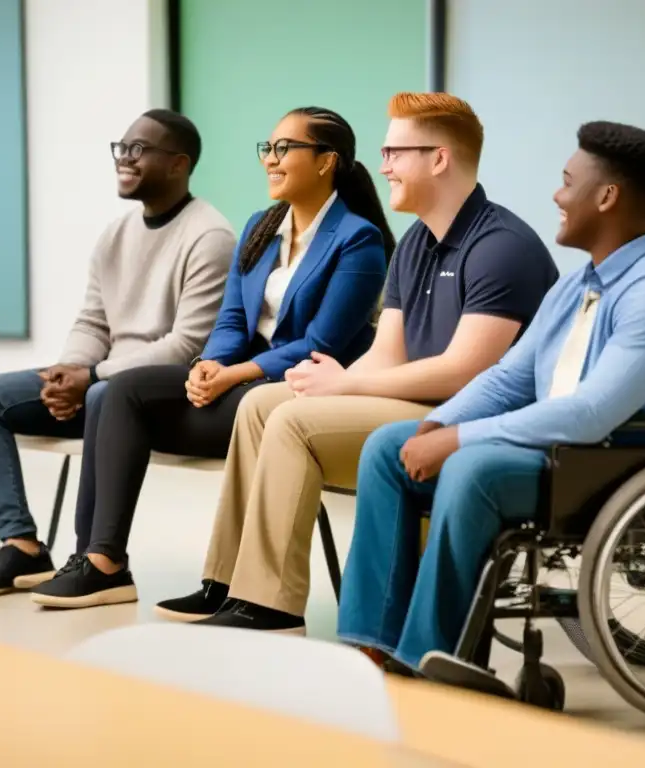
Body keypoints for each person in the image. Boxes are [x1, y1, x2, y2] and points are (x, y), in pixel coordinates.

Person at [156, 92, 559, 632]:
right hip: (414, 401)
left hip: (469, 416)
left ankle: (269, 603)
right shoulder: (416, 242)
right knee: (260, 405)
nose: (382, 165)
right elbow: (386, 352)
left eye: (395, 152)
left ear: (439, 158)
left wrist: (343, 386)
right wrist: (330, 380)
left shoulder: (501, 245)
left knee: (294, 421)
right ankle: (231, 584)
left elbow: (466, 372)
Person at [336, 121, 645, 671]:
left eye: (568, 182)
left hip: (629, 463)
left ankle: (434, 650)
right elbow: (510, 379)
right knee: (386, 448)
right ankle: (370, 640)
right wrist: (439, 423)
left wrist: (458, 439)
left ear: (607, 196)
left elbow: (591, 412)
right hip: (566, 453)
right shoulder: (576, 284)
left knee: (474, 469)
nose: (556, 195)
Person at [28, 106, 392, 608]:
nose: (270, 159)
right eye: (268, 148)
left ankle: (121, 567)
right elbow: (231, 319)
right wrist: (209, 365)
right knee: (114, 391)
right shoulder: (261, 228)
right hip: (236, 386)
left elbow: (319, 346)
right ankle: (99, 560)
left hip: (286, 396)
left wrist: (232, 374)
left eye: (284, 148)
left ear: (327, 161)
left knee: (137, 397)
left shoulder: (358, 241)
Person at [0, 110, 236, 598]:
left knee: (106, 394)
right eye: (121, 148)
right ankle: (21, 545)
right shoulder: (116, 234)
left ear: (178, 164)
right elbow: (93, 321)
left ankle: (97, 560)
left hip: (152, 393)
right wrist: (65, 374)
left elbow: (187, 345)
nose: (124, 159)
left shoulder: (210, 236)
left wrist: (92, 375)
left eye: (139, 150)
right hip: (99, 381)